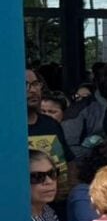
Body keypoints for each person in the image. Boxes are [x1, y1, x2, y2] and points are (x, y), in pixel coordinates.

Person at [27, 68, 73, 211]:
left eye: (35, 84)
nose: (33, 90)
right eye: (25, 85)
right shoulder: (8, 129)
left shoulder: (50, 123)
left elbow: (69, 159)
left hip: (59, 206)